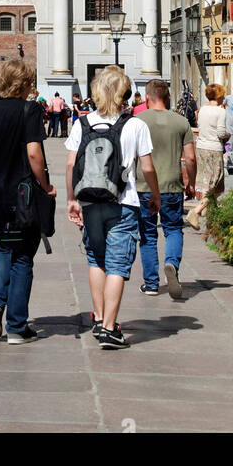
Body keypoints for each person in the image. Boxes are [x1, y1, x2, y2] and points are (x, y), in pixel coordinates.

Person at [65, 67, 159, 349]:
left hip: (89, 201)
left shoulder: (82, 123)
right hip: (124, 203)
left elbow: (71, 165)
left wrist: (71, 200)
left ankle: (99, 318)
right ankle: (109, 329)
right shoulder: (135, 125)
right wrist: (154, 194)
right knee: (118, 264)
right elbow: (147, 167)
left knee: (96, 259)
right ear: (125, 93)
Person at [0, 58, 56, 345]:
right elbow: (34, 153)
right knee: (22, 257)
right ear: (24, 82)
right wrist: (46, 186)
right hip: (23, 194)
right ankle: (17, 327)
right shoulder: (28, 109)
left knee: (4, 246)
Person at [135, 79, 196, 299]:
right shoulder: (181, 122)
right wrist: (192, 183)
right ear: (168, 97)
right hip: (172, 184)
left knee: (148, 234)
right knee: (172, 229)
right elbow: (190, 157)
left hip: (144, 185)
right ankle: (171, 263)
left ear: (147, 97)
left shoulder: (137, 121)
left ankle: (151, 284)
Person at [185, 83, 229, 230]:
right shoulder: (220, 111)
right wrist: (228, 135)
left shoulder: (202, 109)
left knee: (207, 181)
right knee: (215, 182)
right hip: (214, 148)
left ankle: (208, 212)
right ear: (219, 95)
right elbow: (221, 133)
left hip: (201, 147)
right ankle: (196, 211)